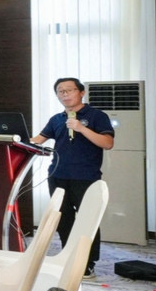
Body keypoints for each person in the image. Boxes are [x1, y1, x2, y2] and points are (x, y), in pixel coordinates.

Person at [30, 77, 115, 278]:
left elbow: (107, 143)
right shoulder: (56, 119)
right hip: (57, 176)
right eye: (60, 91)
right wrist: (14, 140)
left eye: (69, 90)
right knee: (63, 219)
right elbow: (37, 141)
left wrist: (81, 128)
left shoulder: (96, 116)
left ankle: (87, 263)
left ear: (81, 92)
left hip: (85, 177)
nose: (65, 94)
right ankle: (68, 256)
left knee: (87, 220)